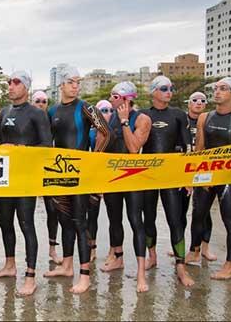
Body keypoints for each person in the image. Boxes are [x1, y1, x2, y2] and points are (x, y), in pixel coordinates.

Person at [43, 66, 111, 294]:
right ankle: (67, 266)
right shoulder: (52, 112)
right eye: (71, 81)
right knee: (65, 221)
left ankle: (85, 276)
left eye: (78, 82)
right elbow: (45, 144)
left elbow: (106, 132)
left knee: (80, 223)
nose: (76, 85)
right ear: (61, 84)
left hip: (80, 176)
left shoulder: (86, 108)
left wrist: (92, 160)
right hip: (60, 174)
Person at [0, 70, 52, 296]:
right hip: (5, 178)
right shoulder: (4, 111)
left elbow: (47, 145)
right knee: (5, 223)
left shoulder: (36, 114)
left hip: (26, 178)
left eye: (16, 82)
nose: (10, 86)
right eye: (9, 82)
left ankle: (30, 275)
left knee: (26, 224)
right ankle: (9, 265)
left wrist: (25, 150)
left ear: (26, 87)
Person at [141, 75, 194, 287]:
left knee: (176, 219)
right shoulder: (144, 115)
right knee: (149, 217)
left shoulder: (179, 115)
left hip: (171, 174)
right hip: (149, 175)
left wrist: (187, 178)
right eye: (164, 88)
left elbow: (187, 147)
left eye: (171, 88)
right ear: (153, 91)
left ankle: (181, 267)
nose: (169, 91)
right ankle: (152, 256)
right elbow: (135, 145)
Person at [99, 82, 151, 293]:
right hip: (113, 178)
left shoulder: (142, 119)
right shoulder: (110, 118)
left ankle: (140, 273)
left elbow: (133, 148)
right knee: (114, 220)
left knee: (135, 221)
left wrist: (124, 122)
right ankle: (118, 258)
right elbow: (102, 148)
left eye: (115, 96)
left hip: (133, 178)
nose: (111, 100)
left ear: (127, 99)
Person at [189, 77, 231, 280]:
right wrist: (193, 176)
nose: (217, 92)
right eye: (216, 88)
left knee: (230, 221)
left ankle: (229, 264)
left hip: (228, 177)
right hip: (206, 173)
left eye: (223, 89)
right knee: (198, 214)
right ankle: (195, 250)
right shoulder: (204, 117)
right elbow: (199, 148)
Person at [178, 92, 216, 261]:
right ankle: (181, 245)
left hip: (203, 170)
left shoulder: (210, 121)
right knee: (181, 211)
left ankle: (204, 247)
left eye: (202, 100)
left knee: (203, 212)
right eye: (195, 100)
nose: (199, 103)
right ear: (188, 103)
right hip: (183, 170)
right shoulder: (181, 120)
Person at [31, 90, 62, 265]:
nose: (41, 103)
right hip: (30, 171)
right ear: (32, 102)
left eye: (44, 101)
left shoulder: (52, 121)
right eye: (38, 101)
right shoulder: (26, 120)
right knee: (25, 214)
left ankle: (52, 249)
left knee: (53, 211)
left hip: (49, 170)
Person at [87, 99, 114, 263]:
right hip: (93, 179)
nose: (108, 114)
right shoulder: (90, 131)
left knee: (114, 216)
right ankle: (92, 248)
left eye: (111, 110)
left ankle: (113, 250)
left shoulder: (116, 131)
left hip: (112, 179)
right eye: (104, 110)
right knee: (92, 216)